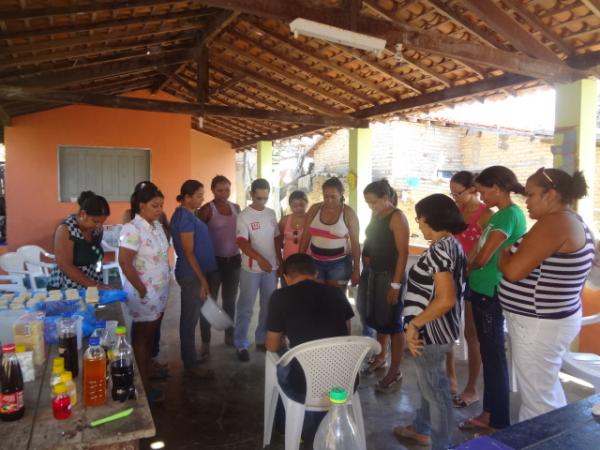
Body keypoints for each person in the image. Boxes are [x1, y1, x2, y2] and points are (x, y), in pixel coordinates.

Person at [499, 168, 595, 421]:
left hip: (539, 323)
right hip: (549, 319)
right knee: (544, 390)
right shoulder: (572, 220)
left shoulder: (555, 223)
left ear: (551, 195)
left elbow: (513, 272)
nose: (526, 202)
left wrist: (504, 252)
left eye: (531, 195)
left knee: (538, 401)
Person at [393, 194, 467, 450]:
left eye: (420, 219)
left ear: (430, 219)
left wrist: (414, 325)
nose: (419, 224)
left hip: (429, 333)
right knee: (430, 384)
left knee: (436, 393)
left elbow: (446, 298)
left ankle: (442, 444)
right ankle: (421, 428)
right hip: (440, 329)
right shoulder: (451, 245)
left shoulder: (439, 250)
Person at [459, 166, 526, 432]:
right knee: (490, 355)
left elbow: (484, 257)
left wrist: (467, 268)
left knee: (494, 357)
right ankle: (489, 413)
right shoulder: (500, 216)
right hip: (481, 290)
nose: (482, 197)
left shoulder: (509, 215)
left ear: (497, 189)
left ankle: (498, 420)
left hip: (490, 293)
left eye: (484, 191)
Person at [265, 253, 355, 446]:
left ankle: (285, 427)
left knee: (282, 365)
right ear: (315, 274)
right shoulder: (336, 293)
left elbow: (271, 345)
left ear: (287, 277)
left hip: (304, 386)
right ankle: (316, 428)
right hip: (345, 381)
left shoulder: (280, 297)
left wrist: (287, 341)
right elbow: (346, 335)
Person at [118, 183, 170, 401]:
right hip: (145, 293)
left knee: (151, 335)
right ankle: (143, 385)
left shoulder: (155, 225)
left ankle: (148, 369)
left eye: (161, 206)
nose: (159, 210)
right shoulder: (131, 229)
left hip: (160, 290)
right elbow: (124, 262)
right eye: (154, 206)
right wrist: (141, 289)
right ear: (141, 205)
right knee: (142, 337)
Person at [446, 171, 492, 408]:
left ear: (473, 189)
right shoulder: (455, 212)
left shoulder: (486, 216)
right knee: (446, 328)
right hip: (451, 276)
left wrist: (469, 266)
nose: (455, 197)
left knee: (471, 334)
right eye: (452, 193)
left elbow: (487, 250)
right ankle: (451, 378)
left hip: (474, 277)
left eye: (458, 193)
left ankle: (472, 387)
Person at [361, 179, 409, 392]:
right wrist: (366, 254)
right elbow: (371, 239)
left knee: (393, 324)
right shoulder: (377, 215)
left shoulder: (397, 217)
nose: (371, 206)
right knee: (380, 320)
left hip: (390, 275)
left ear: (386, 198)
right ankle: (382, 356)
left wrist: (395, 285)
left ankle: (395, 370)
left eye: (374, 202)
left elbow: (403, 253)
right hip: (375, 273)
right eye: (368, 203)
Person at [170, 180, 216, 378]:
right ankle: (190, 364)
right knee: (189, 320)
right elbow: (188, 252)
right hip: (191, 274)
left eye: (202, 195)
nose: (202, 199)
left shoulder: (187, 214)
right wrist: (203, 280)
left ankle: (190, 359)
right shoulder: (185, 218)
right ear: (187, 197)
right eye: (198, 196)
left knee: (192, 317)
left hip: (193, 272)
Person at [234, 178, 281, 362]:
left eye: (265, 198)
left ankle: (261, 338)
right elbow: (241, 242)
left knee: (269, 306)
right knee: (245, 307)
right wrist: (260, 259)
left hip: (271, 268)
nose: (262, 201)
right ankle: (240, 343)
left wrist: (280, 260)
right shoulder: (244, 216)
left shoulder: (271, 213)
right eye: (259, 197)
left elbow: (277, 238)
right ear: (252, 194)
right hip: (251, 269)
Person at [197, 175, 241, 350]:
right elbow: (198, 237)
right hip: (213, 263)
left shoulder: (236, 208)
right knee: (210, 303)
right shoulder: (207, 210)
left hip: (234, 261)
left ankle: (229, 336)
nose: (224, 193)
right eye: (220, 190)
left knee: (230, 301)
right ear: (213, 191)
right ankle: (206, 342)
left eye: (227, 189)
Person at [299, 177, 360, 289]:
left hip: (340, 264)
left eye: (333, 197)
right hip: (315, 262)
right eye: (326, 196)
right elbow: (305, 236)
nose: (329, 200)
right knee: (317, 297)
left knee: (336, 298)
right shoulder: (315, 209)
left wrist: (356, 270)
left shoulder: (348, 213)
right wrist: (300, 261)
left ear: (341, 195)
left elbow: (355, 244)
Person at [49, 191, 112, 290]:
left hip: (91, 285)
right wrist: (94, 285)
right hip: (67, 288)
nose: (99, 225)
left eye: (102, 222)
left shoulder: (97, 230)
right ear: (83, 214)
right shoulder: (66, 229)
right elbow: (64, 265)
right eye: (95, 221)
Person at [277, 190, 309, 285]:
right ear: (290, 206)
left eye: (302, 205)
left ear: (307, 204)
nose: (298, 208)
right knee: (287, 290)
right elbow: (278, 242)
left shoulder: (311, 219)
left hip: (306, 263)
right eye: (295, 206)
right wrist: (280, 262)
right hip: (288, 263)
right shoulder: (285, 220)